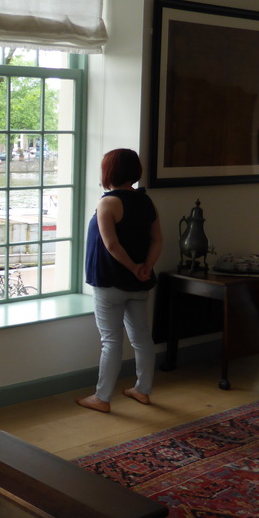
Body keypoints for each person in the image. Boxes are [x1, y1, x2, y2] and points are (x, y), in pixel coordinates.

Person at [77, 148, 162, 413]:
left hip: (109, 282)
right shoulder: (146, 201)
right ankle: (143, 390)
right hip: (139, 283)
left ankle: (102, 398)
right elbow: (158, 239)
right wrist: (145, 267)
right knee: (142, 338)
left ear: (109, 172)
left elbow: (111, 245)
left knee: (111, 341)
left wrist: (134, 267)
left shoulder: (108, 203)